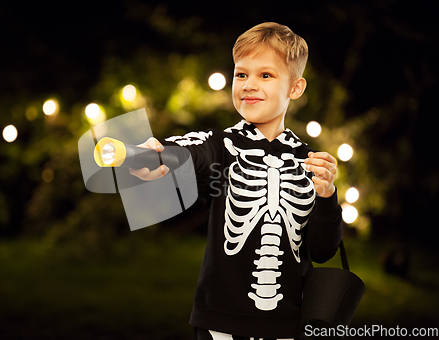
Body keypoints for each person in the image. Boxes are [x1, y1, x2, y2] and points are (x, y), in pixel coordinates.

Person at [130, 22, 342, 340]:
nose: (248, 85)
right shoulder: (221, 146)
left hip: (290, 324)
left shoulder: (309, 161)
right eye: (241, 74)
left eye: (265, 75)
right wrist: (157, 154)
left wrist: (327, 196)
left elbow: (323, 250)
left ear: (295, 88)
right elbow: (189, 149)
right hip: (221, 325)